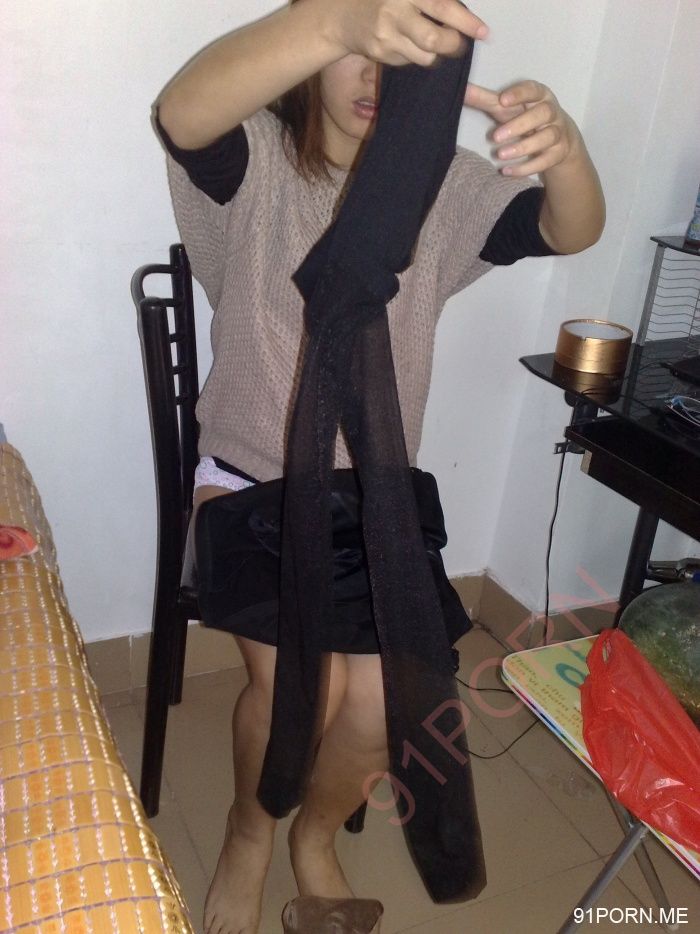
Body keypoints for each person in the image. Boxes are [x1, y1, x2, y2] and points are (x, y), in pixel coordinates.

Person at [153, 1, 605, 931]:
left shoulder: (440, 186)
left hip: (374, 499)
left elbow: (571, 231)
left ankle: (315, 836)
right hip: (249, 482)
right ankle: (249, 831)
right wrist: (337, 22)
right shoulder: (255, 160)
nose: (375, 75)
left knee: (387, 698)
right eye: (360, 48)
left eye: (405, 60)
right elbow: (182, 112)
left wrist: (566, 150)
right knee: (302, 686)